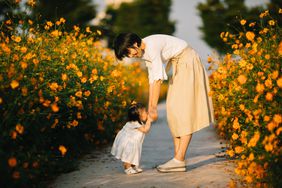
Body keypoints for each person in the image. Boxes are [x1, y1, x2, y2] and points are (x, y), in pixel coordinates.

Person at [113, 33, 214, 172]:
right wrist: (151, 107)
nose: (130, 57)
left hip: (187, 61)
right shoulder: (144, 53)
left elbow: (158, 80)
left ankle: (179, 159)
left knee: (183, 111)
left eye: (128, 52)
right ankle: (178, 159)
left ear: (134, 44)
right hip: (179, 64)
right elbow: (152, 79)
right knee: (172, 109)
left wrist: (153, 108)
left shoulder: (151, 47)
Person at [111, 102, 152, 175]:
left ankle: (133, 166)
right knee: (128, 155)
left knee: (134, 154)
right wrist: (149, 120)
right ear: (139, 116)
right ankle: (127, 168)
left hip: (133, 142)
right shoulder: (135, 123)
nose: (147, 113)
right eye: (145, 112)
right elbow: (145, 130)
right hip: (128, 142)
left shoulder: (138, 122)